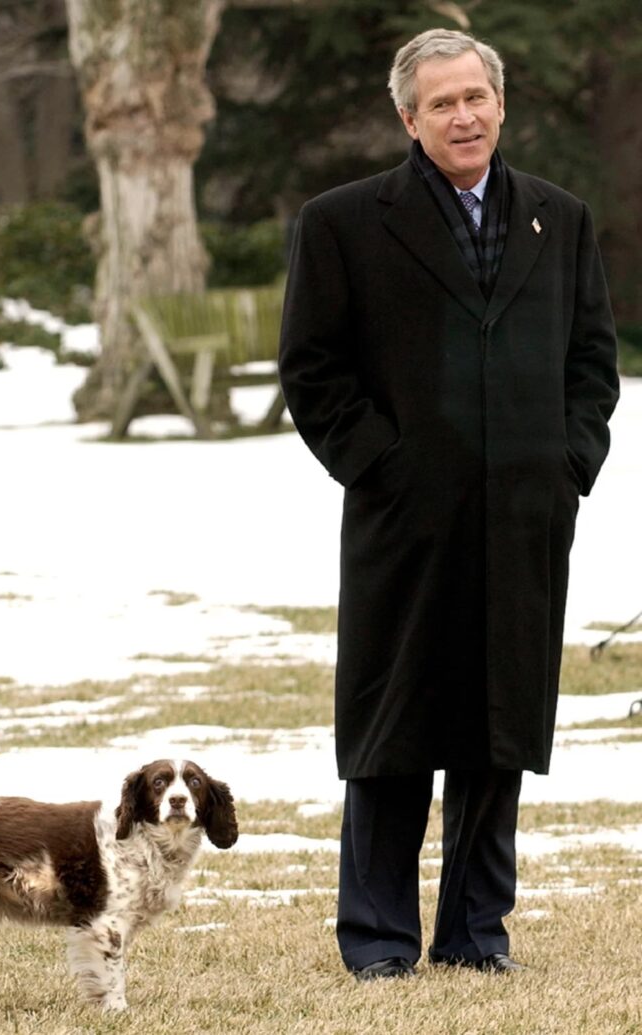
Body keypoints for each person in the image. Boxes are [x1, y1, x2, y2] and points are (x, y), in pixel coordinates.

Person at [278, 28, 619, 980]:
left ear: (501, 103)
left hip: (523, 518)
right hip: (404, 524)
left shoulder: (561, 218)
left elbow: (593, 364)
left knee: (497, 728)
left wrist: (567, 465)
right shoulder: (342, 222)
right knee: (394, 729)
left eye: (476, 96)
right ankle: (379, 940)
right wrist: (381, 467)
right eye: (442, 103)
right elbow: (312, 369)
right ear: (409, 118)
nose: (463, 115)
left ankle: (476, 933)